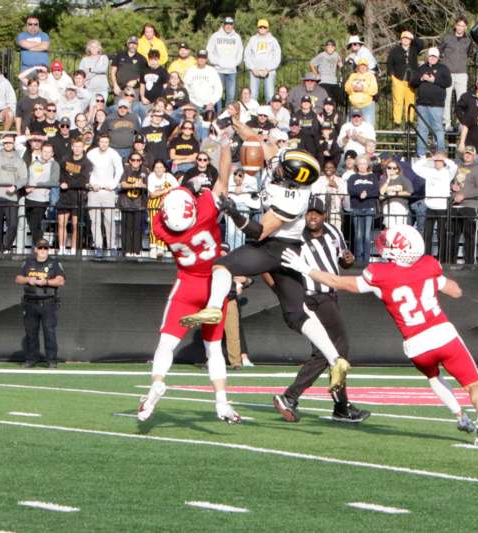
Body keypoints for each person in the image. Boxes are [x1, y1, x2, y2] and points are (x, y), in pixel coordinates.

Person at [182, 107, 352, 393]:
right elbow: (260, 143)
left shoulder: (294, 199)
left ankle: (213, 308)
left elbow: (259, 232)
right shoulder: (289, 175)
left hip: (277, 248)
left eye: (282, 168)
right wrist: (234, 123)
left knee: (222, 265)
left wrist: (235, 215)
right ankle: (336, 361)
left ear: (293, 178)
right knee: (297, 314)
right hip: (286, 250)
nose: (276, 165)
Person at [281, 224, 478, 445]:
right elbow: (456, 291)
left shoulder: (380, 274)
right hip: (443, 334)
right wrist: (436, 282)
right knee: (472, 384)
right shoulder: (429, 264)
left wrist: (305, 269)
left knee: (433, 376)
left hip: (416, 344)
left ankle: (459, 415)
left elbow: (337, 281)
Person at [136, 140, 242, 423]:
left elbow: (168, 206)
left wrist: (185, 187)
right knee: (213, 348)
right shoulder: (205, 212)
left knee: (166, 344)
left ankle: (157, 382)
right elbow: (222, 180)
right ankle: (221, 402)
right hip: (211, 285)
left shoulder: (164, 229)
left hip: (186, 285)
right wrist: (226, 148)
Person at [273, 197, 370, 423]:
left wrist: (348, 260)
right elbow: (275, 267)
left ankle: (332, 404)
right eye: (309, 213)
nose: (312, 217)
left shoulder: (333, 231)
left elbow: (342, 260)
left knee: (327, 352)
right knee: (336, 349)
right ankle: (305, 399)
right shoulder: (296, 236)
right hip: (313, 297)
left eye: (317, 213)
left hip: (330, 294)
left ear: (325, 215)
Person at [16, 239, 65, 368]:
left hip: (48, 302)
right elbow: (18, 278)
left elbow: (61, 280)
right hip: (30, 302)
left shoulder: (54, 263)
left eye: (45, 248)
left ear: (48, 250)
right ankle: (31, 359)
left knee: (49, 332)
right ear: (35, 249)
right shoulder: (28, 262)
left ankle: (52, 361)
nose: (43, 251)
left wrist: (47, 282)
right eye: (40, 248)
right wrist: (28, 279)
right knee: (31, 333)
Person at [413, 152, 456, 261]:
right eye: (436, 161)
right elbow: (415, 167)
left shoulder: (448, 172)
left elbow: (454, 166)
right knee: (428, 234)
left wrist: (444, 158)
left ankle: (441, 258)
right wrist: (429, 158)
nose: (437, 162)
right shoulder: (429, 171)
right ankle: (427, 258)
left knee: (442, 234)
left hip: (442, 207)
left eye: (439, 161)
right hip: (430, 206)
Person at [410, 47, 451, 157]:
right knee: (422, 129)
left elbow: (448, 82)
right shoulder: (421, 68)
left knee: (438, 129)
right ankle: (421, 154)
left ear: (438, 58)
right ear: (427, 57)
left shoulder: (443, 68)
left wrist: (434, 80)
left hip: (436, 105)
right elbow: (412, 83)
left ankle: (440, 153)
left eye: (434, 56)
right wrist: (422, 79)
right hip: (422, 104)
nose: (432, 58)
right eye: (430, 56)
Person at [86, 133, 123, 255]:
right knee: (95, 220)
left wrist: (113, 185)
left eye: (106, 142)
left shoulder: (113, 153)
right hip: (94, 191)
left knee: (109, 220)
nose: (104, 144)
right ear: (98, 142)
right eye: (102, 142)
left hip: (108, 191)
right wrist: (92, 184)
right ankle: (98, 246)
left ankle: (112, 246)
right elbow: (87, 171)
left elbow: (119, 170)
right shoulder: (91, 154)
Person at [57, 137, 92, 255]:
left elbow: (83, 180)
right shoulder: (65, 159)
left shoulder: (87, 163)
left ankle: (73, 250)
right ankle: (61, 248)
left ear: (83, 148)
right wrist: (62, 182)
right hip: (64, 195)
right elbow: (61, 174)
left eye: (79, 147)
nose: (77, 149)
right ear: (72, 147)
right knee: (62, 223)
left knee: (76, 225)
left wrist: (69, 182)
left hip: (78, 196)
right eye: (75, 146)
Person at [438, 17, 472, 131]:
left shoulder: (468, 40)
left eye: (463, 26)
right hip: (448, 73)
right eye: (459, 25)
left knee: (462, 100)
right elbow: (439, 51)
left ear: (465, 27)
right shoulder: (447, 38)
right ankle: (446, 123)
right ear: (455, 26)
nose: (460, 28)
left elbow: (469, 53)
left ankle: (460, 122)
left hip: (462, 74)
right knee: (446, 99)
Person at [347, 154, 380, 262]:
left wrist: (367, 193)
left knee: (366, 236)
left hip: (369, 207)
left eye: (364, 163)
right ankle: (358, 259)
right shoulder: (353, 177)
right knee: (358, 235)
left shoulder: (373, 177)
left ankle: (366, 259)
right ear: (357, 165)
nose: (362, 166)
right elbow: (350, 190)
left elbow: (376, 191)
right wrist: (359, 193)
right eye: (360, 164)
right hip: (357, 207)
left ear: (368, 165)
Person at [207, 17, 244, 107]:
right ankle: (218, 113)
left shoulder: (237, 37)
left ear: (233, 25)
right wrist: (216, 62)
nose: (228, 26)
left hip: (231, 71)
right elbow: (209, 50)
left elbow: (240, 51)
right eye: (227, 24)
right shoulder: (215, 36)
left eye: (230, 24)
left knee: (231, 95)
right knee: (217, 94)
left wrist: (235, 63)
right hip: (218, 70)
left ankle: (228, 115)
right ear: (224, 24)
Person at [387, 30, 421, 126]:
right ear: (401, 39)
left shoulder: (414, 49)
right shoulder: (394, 50)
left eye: (408, 38)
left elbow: (421, 44)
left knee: (410, 102)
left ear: (410, 40)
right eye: (404, 38)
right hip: (398, 79)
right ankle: (397, 123)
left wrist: (413, 36)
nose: (406, 40)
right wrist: (392, 76)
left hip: (411, 81)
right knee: (397, 101)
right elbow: (389, 64)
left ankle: (408, 122)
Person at [244, 19, 281, 103]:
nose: (262, 29)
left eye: (264, 27)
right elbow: (247, 55)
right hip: (255, 71)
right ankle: (253, 114)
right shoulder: (252, 39)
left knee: (270, 95)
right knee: (253, 95)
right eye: (260, 27)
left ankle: (270, 114)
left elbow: (277, 56)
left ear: (268, 29)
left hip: (268, 71)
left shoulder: (273, 40)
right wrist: (252, 68)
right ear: (257, 28)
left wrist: (268, 69)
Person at [380, 158, 414, 227]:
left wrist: (395, 194)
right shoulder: (383, 179)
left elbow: (409, 192)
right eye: (389, 168)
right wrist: (388, 179)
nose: (391, 170)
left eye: (394, 168)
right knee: (389, 228)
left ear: (397, 170)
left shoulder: (403, 179)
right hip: (387, 205)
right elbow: (381, 192)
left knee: (400, 227)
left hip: (400, 205)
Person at [344, 59, 378, 125]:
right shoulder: (353, 76)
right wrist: (353, 88)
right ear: (358, 67)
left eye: (364, 66)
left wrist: (363, 89)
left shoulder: (371, 76)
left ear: (367, 67)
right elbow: (346, 88)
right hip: (354, 105)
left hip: (367, 105)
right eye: (361, 65)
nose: (362, 67)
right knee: (352, 126)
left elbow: (374, 90)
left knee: (368, 126)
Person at [310, 39, 343, 106]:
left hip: (333, 81)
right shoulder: (322, 55)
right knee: (327, 99)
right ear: (326, 48)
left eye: (332, 47)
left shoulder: (336, 55)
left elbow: (340, 63)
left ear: (334, 48)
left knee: (341, 97)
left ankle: (335, 112)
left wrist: (340, 64)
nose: (330, 48)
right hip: (324, 81)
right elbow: (311, 63)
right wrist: (316, 74)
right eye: (328, 47)